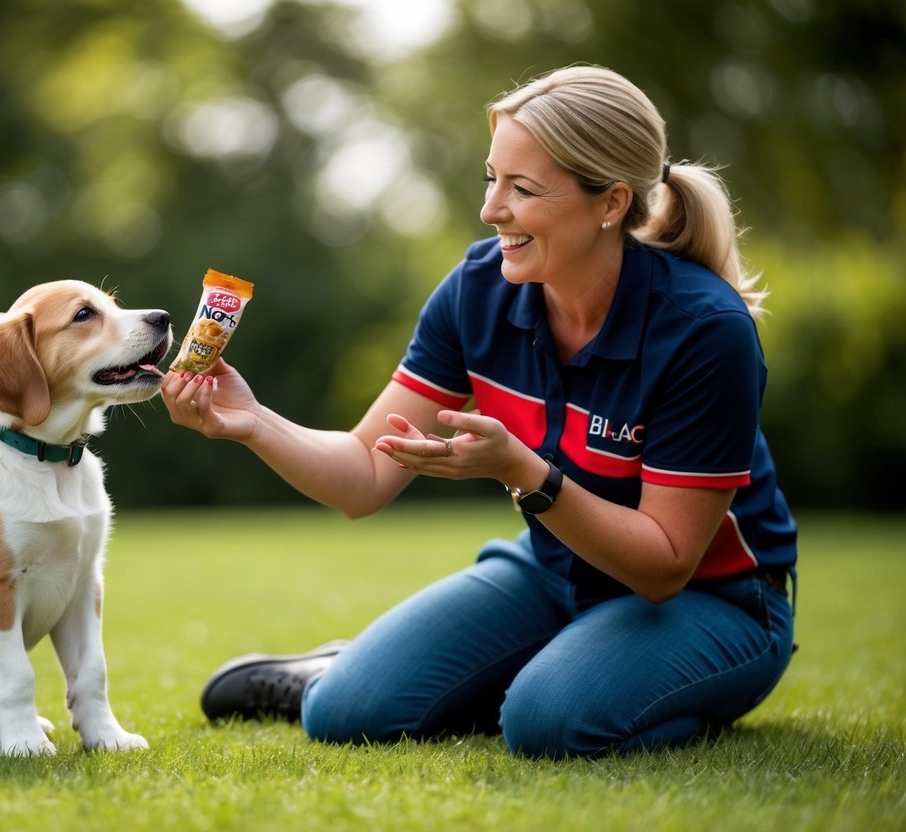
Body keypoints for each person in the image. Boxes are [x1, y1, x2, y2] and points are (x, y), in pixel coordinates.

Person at [160, 65, 797, 759]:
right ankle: (367, 668)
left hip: (714, 601)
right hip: (554, 571)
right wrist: (255, 422)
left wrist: (525, 472)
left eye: (521, 189)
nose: (491, 209)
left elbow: (663, 565)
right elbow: (362, 478)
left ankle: (565, 679)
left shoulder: (704, 329)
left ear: (610, 202)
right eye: (490, 178)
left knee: (547, 723)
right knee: (345, 712)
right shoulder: (477, 288)